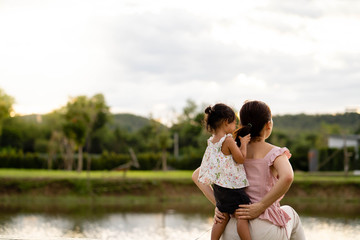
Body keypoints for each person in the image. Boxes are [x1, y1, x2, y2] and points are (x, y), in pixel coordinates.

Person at [192, 100, 306, 240]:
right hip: (264, 228)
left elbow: (197, 175)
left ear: (241, 125)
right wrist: (261, 206)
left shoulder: (231, 150)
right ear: (268, 125)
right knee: (291, 213)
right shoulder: (275, 153)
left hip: (230, 227)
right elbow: (287, 176)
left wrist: (221, 206)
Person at [197, 103, 252, 240]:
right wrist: (244, 144)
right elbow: (240, 159)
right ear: (227, 122)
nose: (236, 127)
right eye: (235, 123)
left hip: (219, 189)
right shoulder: (228, 140)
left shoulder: (211, 141)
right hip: (233, 188)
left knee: (222, 215)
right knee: (241, 215)